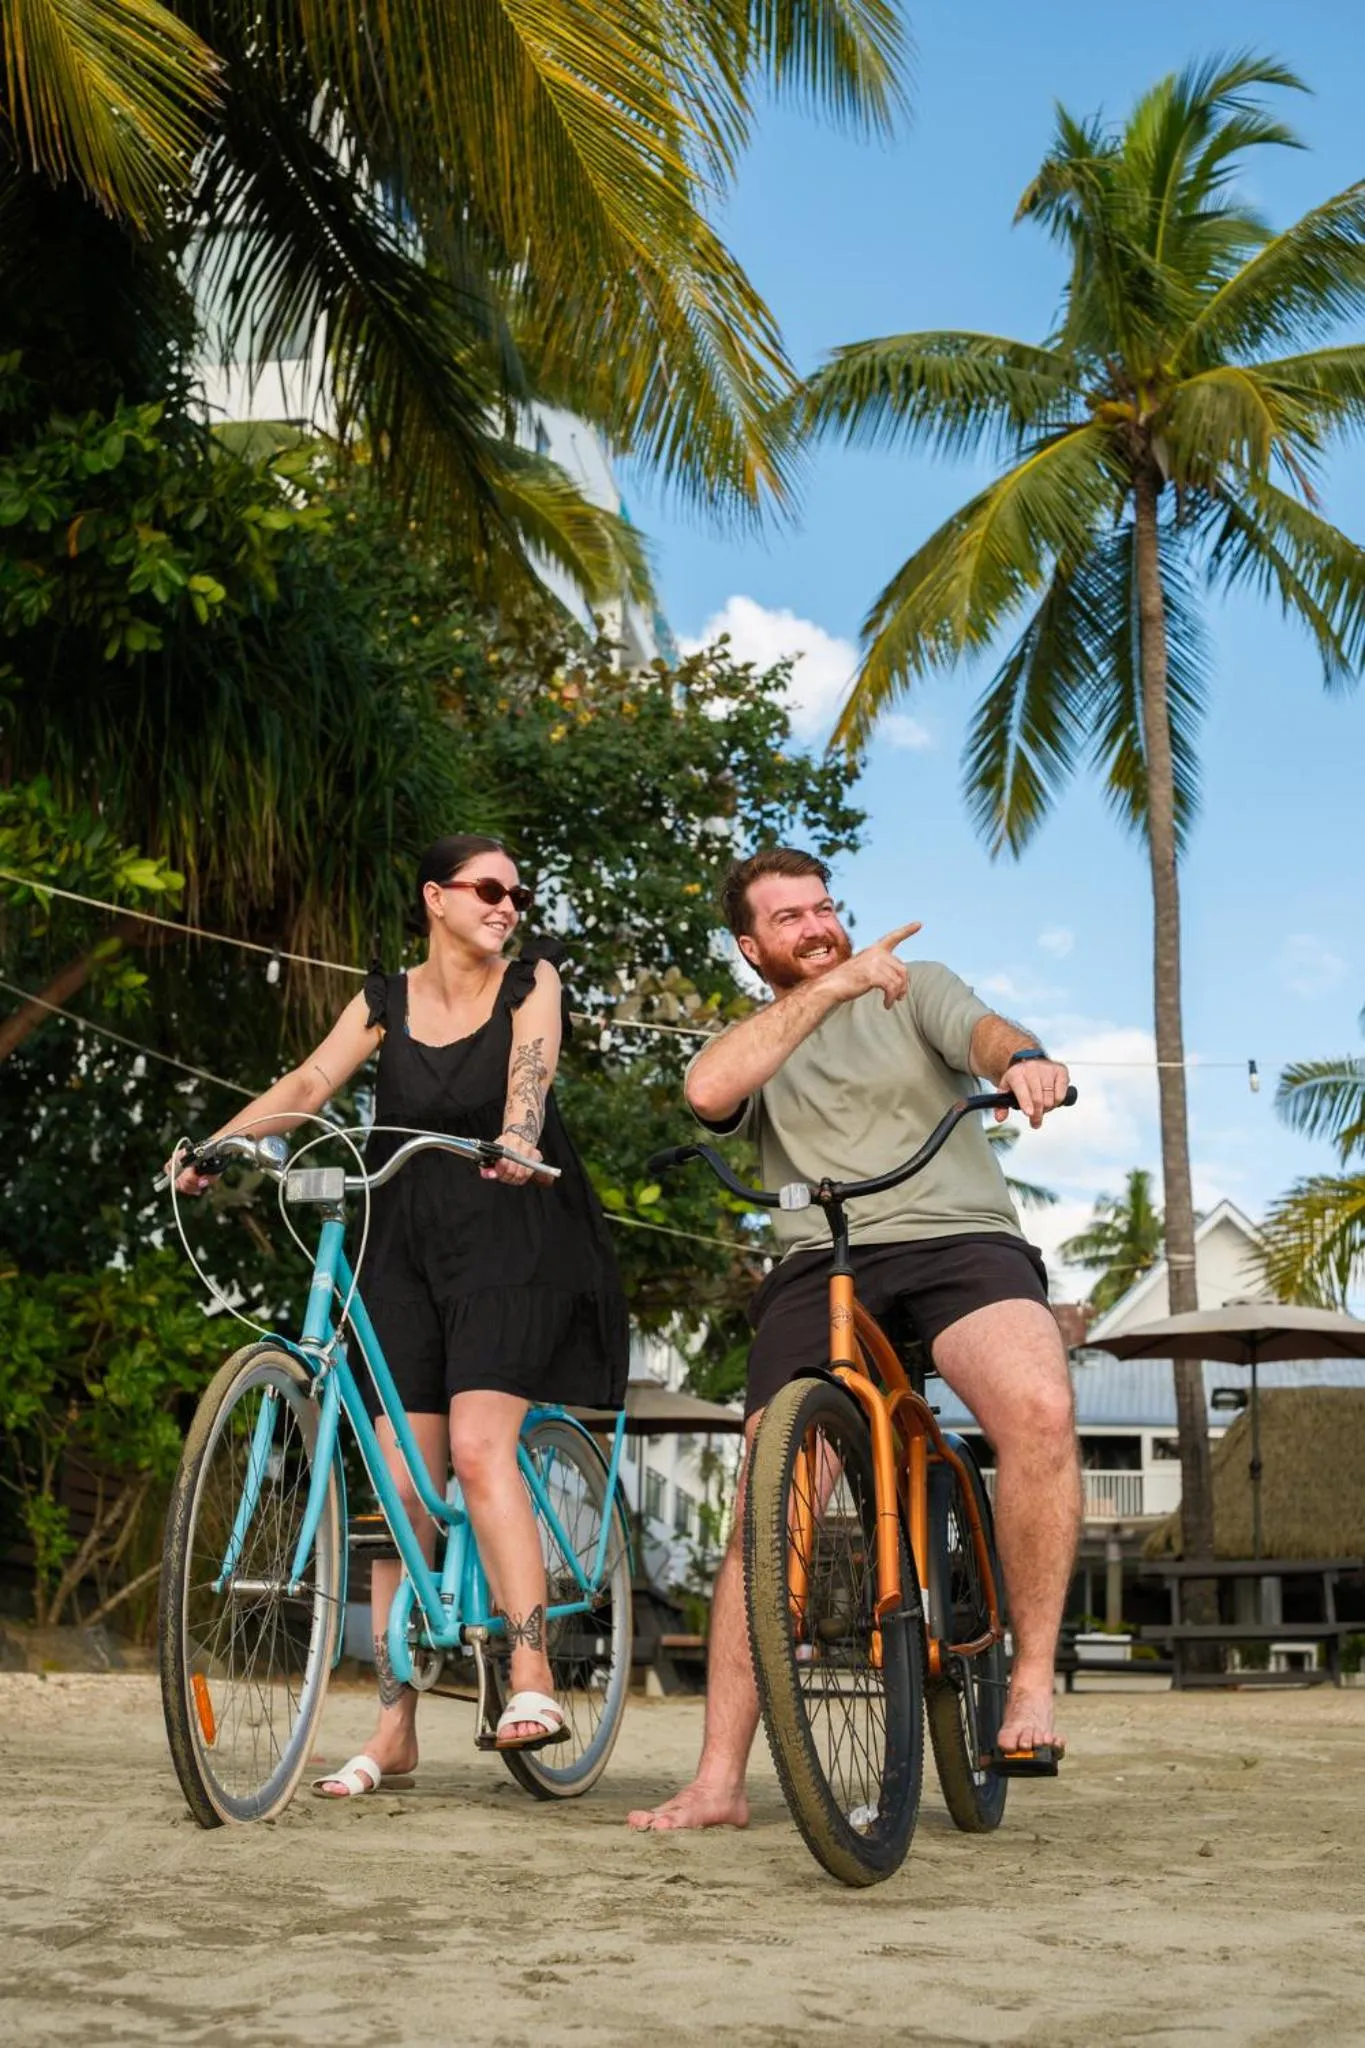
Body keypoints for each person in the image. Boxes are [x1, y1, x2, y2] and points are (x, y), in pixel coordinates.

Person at [628, 846, 1081, 1834]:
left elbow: (989, 1033)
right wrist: (828, 987)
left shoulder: (910, 986)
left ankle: (1032, 1684)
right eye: (791, 917)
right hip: (817, 1255)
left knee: (1040, 1406)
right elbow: (709, 1092)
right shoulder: (764, 1031)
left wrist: (1024, 1059)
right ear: (754, 945)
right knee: (765, 1503)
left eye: (825, 906)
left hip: (961, 1237)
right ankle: (717, 1779)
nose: (820, 923)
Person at [173, 833, 628, 1793]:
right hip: (404, 1232)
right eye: (488, 889)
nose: (507, 904)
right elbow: (308, 1084)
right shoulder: (384, 998)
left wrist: (515, 1132)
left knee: (475, 1447)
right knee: (402, 1485)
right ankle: (395, 1727)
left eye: (516, 892)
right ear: (435, 897)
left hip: (516, 1223)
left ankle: (532, 1675)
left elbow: (531, 1064)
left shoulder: (529, 978)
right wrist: (220, 1143)